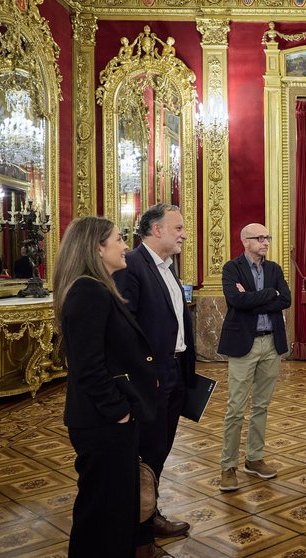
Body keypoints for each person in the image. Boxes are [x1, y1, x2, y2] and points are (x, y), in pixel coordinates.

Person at [53, 216, 157, 557]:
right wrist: (119, 412)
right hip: (102, 423)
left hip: (108, 421)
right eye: (118, 240)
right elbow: (87, 367)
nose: (125, 245)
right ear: (97, 248)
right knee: (101, 515)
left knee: (116, 510)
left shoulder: (98, 288)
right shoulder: (88, 290)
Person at [113, 204, 195, 557]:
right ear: (156, 230)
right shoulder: (132, 266)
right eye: (177, 228)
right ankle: (139, 538)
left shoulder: (166, 268)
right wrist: (147, 377)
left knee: (158, 453)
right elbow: (125, 330)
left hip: (174, 372)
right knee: (144, 456)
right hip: (152, 378)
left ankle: (151, 514)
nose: (183, 234)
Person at [217, 224, 291, 492]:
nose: (265, 242)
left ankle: (254, 458)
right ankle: (228, 466)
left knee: (262, 405)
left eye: (267, 237)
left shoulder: (274, 269)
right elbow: (236, 301)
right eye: (260, 238)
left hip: (271, 342)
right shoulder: (231, 268)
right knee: (235, 408)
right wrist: (269, 294)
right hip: (243, 345)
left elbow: (286, 300)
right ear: (245, 241)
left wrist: (256, 297)